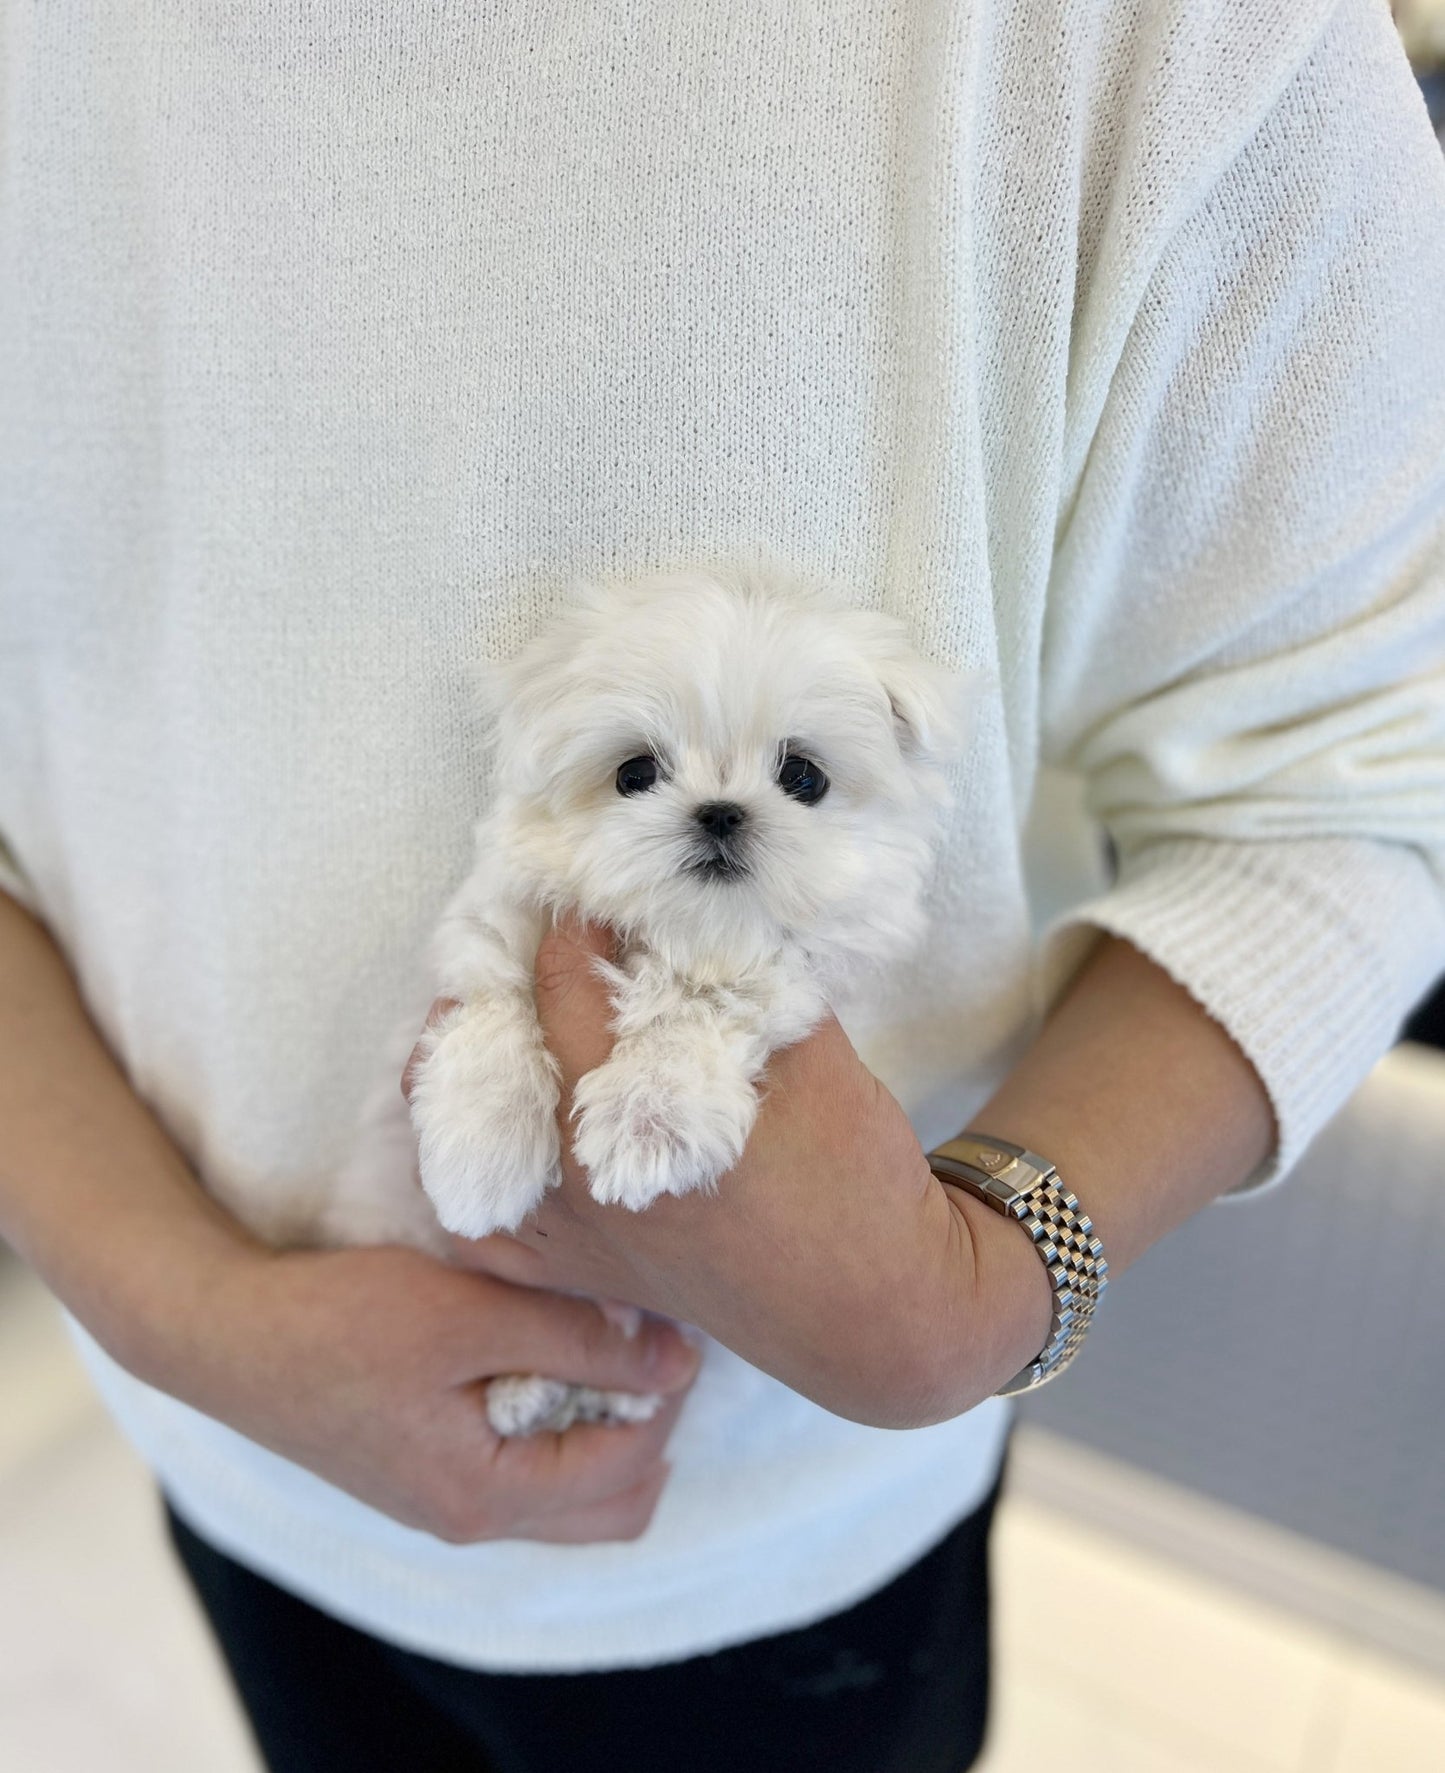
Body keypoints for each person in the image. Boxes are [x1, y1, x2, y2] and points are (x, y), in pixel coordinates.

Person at [2, 3, 1443, 1769]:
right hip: (224, 1452)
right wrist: (177, 1309)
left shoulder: (1153, 43)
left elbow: (1365, 778)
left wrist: (972, 1293)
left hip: (790, 1560)